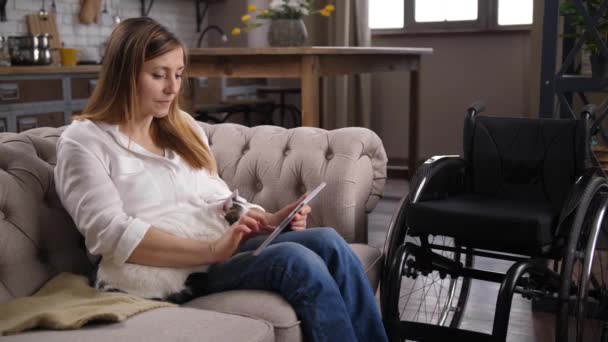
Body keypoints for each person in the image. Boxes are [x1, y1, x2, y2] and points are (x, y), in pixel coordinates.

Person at [54, 17, 388, 342]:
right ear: (124, 74)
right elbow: (110, 235)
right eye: (159, 75)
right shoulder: (83, 141)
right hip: (162, 274)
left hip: (216, 247)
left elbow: (216, 196)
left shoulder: (181, 125)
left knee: (328, 241)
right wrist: (211, 250)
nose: (172, 88)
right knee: (296, 262)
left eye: (179, 74)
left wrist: (268, 220)